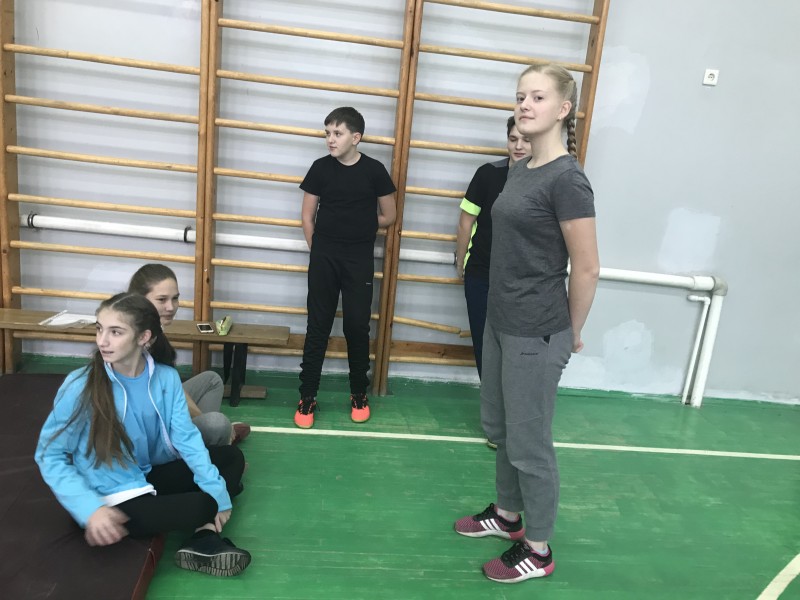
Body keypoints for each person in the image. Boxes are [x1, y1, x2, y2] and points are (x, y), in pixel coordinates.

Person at [453, 64, 600, 584]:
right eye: (520, 96)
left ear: (563, 109)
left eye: (538, 97)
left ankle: (537, 549)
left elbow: (586, 267)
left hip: (536, 330)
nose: (525, 105)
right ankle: (507, 515)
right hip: (501, 320)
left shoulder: (567, 179)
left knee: (529, 443)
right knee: (501, 429)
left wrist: (569, 332)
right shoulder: (522, 168)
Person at [35, 293, 251, 576]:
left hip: (145, 473)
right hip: (109, 497)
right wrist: (89, 510)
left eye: (115, 332)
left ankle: (203, 536)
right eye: (99, 329)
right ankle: (205, 532)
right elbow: (49, 454)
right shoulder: (80, 386)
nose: (102, 341)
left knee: (231, 457)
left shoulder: (165, 378)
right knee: (204, 503)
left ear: (144, 337)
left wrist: (219, 492)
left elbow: (187, 439)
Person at [296, 106, 397, 428]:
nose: (330, 139)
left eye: (337, 133)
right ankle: (307, 396)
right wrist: (320, 250)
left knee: (356, 326)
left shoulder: (374, 170)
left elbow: (389, 215)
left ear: (356, 137)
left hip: (358, 260)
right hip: (324, 258)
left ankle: (358, 393)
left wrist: (359, 225)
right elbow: (307, 217)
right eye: (327, 133)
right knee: (318, 326)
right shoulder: (320, 168)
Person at [128, 264, 251, 447]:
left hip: (162, 409)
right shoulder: (134, 342)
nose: (171, 307)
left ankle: (214, 438)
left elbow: (172, 387)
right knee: (217, 423)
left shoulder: (153, 331)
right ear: (140, 300)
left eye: (175, 298)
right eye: (161, 300)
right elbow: (167, 396)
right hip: (149, 431)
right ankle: (216, 440)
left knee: (212, 380)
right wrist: (205, 421)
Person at [456, 115, 531, 379]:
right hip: (481, 273)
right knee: (483, 342)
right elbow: (466, 221)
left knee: (518, 346)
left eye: (526, 140)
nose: (518, 146)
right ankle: (490, 399)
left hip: (523, 281)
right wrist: (460, 261)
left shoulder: (547, 180)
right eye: (513, 139)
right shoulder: (488, 174)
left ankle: (512, 398)